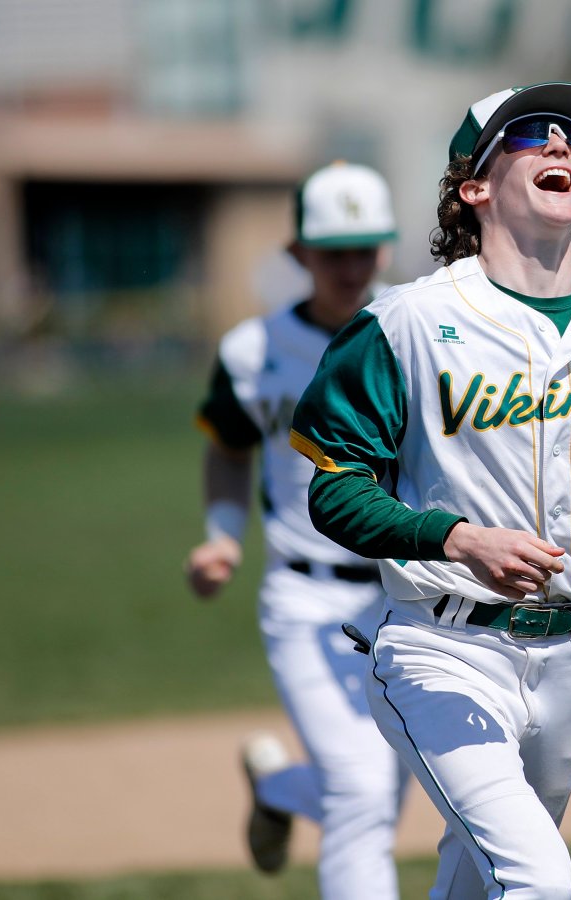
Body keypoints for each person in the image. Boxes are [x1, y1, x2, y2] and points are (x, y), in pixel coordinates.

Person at [290, 82, 571, 898]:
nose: (559, 146)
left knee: (477, 883)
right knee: (539, 879)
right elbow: (334, 492)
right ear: (474, 186)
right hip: (443, 650)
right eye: (530, 135)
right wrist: (458, 538)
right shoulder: (402, 324)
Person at [184, 161, 411, 900]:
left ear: (387, 248)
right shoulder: (253, 349)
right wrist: (223, 536)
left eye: (365, 248)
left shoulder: (416, 334)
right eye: (332, 249)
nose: (350, 265)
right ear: (298, 253)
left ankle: (278, 789)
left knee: (386, 794)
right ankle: (289, 792)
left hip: (406, 596)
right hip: (305, 597)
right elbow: (227, 448)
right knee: (361, 792)